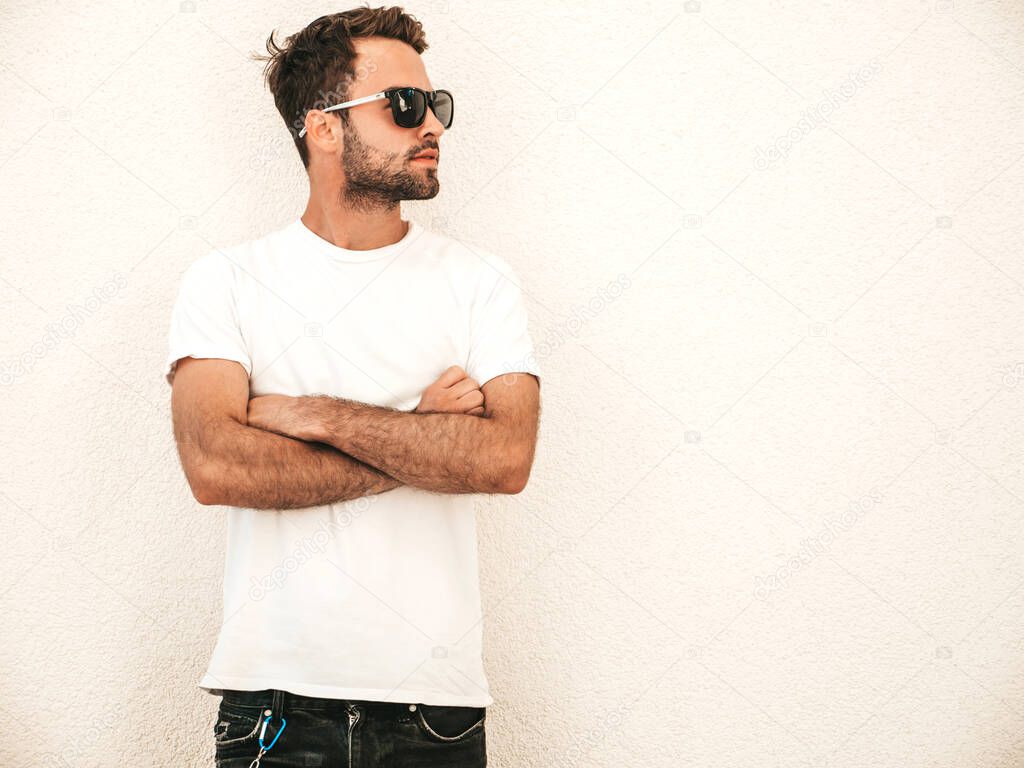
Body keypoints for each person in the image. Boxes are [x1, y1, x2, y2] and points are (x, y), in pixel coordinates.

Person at [164, 6, 541, 766]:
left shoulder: (480, 282)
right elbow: (215, 468)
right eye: (404, 106)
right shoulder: (227, 282)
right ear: (323, 127)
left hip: (434, 708)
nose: (431, 125)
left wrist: (309, 415)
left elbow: (504, 459)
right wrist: (424, 433)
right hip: (272, 701)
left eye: (436, 105)